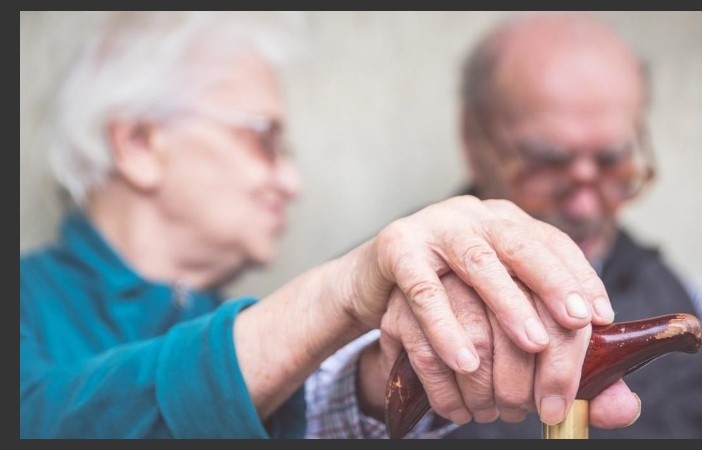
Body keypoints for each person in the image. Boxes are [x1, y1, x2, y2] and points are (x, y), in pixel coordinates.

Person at [19, 12, 641, 438]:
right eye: (264, 141)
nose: (293, 183)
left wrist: (406, 367)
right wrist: (338, 291)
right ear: (138, 142)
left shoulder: (228, 318)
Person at [437, 12, 702, 439]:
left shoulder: (680, 298)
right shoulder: (394, 307)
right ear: (474, 142)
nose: (585, 208)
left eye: (611, 162)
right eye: (548, 162)